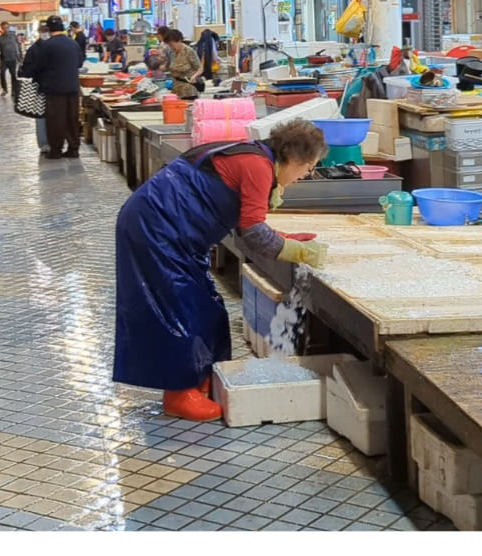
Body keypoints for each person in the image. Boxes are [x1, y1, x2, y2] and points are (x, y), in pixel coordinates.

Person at [114, 117, 330, 420]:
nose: (305, 176)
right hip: (155, 229)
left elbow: (249, 225)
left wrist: (286, 240)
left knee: (207, 309)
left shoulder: (257, 156)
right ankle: (179, 394)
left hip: (170, 231)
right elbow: (252, 234)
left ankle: (202, 379)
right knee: (181, 310)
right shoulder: (258, 166)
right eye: (308, 168)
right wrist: (297, 252)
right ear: (294, 158)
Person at [21, 14, 84, 159]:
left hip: (54, 89)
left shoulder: (47, 45)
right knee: (72, 119)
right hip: (73, 87)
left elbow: (39, 67)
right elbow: (80, 63)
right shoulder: (73, 43)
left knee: (56, 119)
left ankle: (56, 150)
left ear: (49, 29)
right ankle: (73, 149)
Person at [162, 28, 203, 99]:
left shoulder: (189, 51)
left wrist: (194, 76)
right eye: (169, 45)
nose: (171, 47)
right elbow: (167, 67)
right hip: (176, 90)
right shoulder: (171, 52)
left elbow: (200, 68)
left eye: (172, 44)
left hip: (189, 91)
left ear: (179, 40)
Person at [0, 22, 23, 94]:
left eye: (7, 28)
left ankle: (14, 90)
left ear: (9, 27)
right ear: (2, 28)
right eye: (4, 28)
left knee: (13, 75)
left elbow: (18, 46)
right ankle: (4, 89)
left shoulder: (13, 36)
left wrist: (20, 57)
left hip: (13, 58)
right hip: (4, 59)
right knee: (2, 74)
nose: (5, 29)